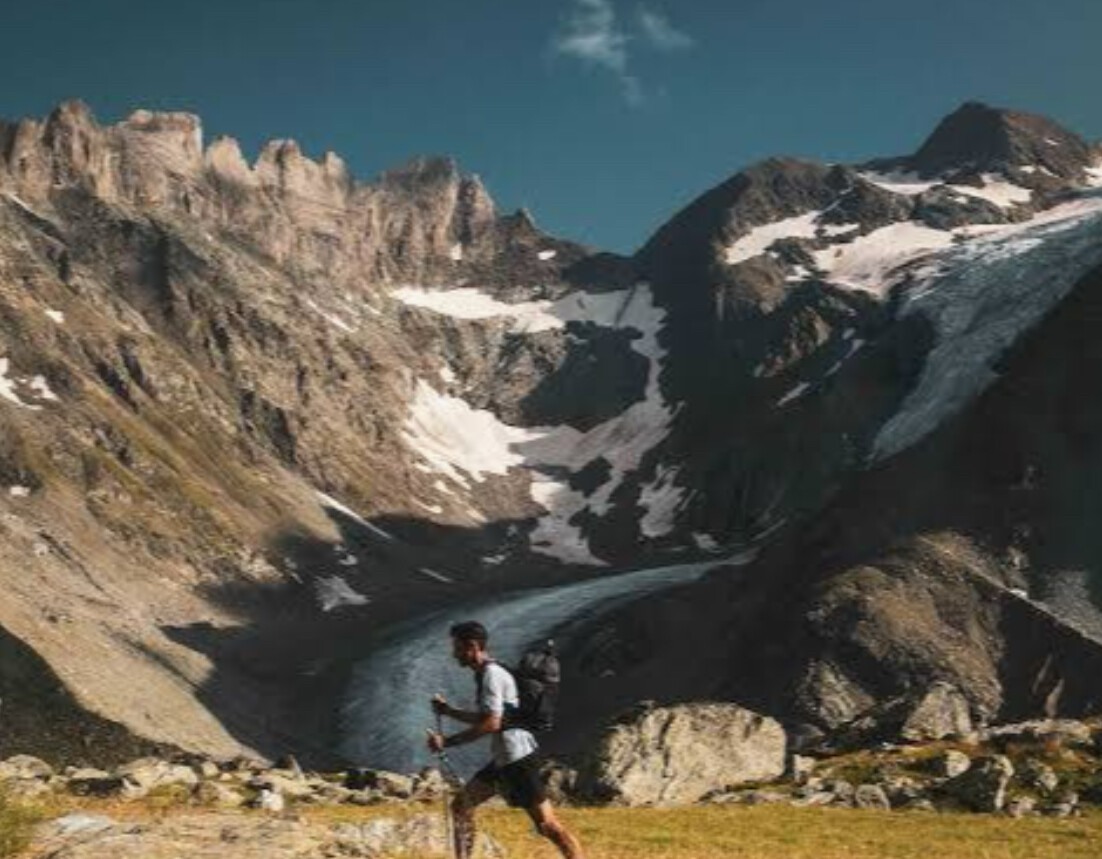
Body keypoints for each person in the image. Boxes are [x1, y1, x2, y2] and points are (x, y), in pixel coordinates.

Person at [427, 620, 585, 859]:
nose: (454, 654)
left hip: (516, 757)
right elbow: (487, 717)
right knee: (460, 806)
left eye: (457, 648)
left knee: (547, 825)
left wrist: (447, 742)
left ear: (473, 646)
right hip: (506, 757)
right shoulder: (488, 672)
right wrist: (448, 711)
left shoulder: (491, 675)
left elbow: (492, 723)